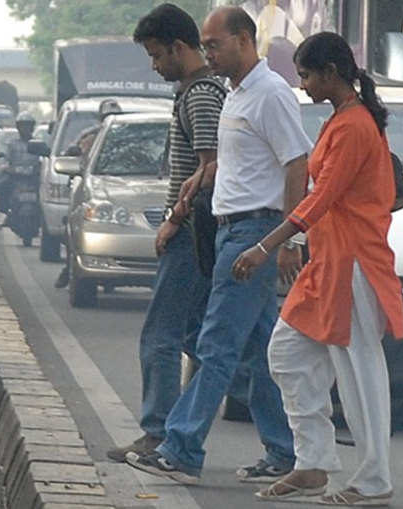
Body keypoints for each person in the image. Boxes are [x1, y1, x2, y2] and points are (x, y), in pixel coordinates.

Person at [126, 6, 310, 485]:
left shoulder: (270, 94)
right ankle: (287, 450)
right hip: (231, 229)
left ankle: (182, 446)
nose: (208, 53)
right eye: (205, 45)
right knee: (256, 349)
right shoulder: (234, 94)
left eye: (215, 44)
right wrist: (194, 186)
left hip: (254, 234)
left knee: (216, 345)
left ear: (245, 41)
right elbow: (227, 163)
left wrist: (290, 238)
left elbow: (297, 164)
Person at [231, 32, 403, 506]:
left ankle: (374, 480)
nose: (302, 85)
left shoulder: (353, 126)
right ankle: (313, 465)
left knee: (360, 374)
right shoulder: (341, 119)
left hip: (353, 262)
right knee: (287, 356)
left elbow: (321, 197)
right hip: (327, 262)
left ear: (331, 73)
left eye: (306, 75)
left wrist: (264, 248)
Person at [105, 3, 225, 464]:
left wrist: (175, 218)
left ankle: (158, 431)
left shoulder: (200, 95)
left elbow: (210, 167)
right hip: (198, 232)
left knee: (161, 335)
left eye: (157, 55)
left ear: (179, 47)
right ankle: (185, 428)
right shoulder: (201, 91)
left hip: (193, 233)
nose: (155, 66)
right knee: (204, 340)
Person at [54, 99, 122, 289]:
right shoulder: (89, 136)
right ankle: (70, 269)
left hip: (115, 188)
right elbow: (70, 153)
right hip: (85, 185)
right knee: (72, 229)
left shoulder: (125, 136)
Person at [0, 111, 39, 221]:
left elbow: (43, 158)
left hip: (33, 177)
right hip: (15, 176)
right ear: (18, 127)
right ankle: (4, 212)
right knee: (1, 186)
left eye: (28, 126)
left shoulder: (38, 143)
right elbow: (5, 159)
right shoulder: (12, 143)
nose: (25, 129)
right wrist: (6, 168)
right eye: (23, 126)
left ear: (32, 127)